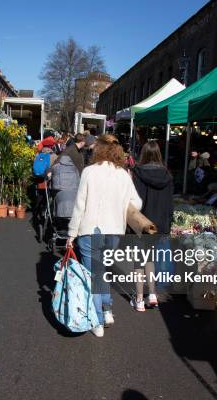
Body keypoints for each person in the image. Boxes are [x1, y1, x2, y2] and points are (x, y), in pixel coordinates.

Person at [66, 134, 142, 337]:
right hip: (114, 230)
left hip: (90, 229)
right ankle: (106, 310)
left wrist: (71, 233)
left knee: (94, 275)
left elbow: (80, 205)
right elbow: (137, 204)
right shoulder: (124, 175)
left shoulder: (89, 172)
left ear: (98, 149)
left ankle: (97, 319)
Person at [130, 140, 174, 311]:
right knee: (150, 259)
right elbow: (170, 204)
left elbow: (136, 202)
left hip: (143, 222)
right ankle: (153, 293)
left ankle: (140, 299)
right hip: (160, 224)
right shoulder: (167, 175)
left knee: (139, 261)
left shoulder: (138, 173)